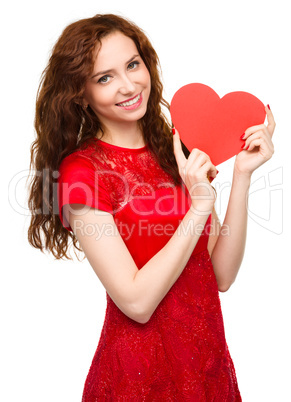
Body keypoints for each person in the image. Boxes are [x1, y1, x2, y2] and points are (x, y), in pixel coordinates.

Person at [28, 13, 275, 401]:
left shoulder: (174, 146)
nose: (128, 85)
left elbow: (220, 275)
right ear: (80, 92)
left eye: (132, 64)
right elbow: (137, 302)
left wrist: (242, 175)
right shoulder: (82, 172)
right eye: (104, 77)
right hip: (140, 378)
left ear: (146, 63)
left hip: (207, 365)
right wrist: (197, 209)